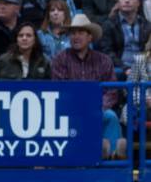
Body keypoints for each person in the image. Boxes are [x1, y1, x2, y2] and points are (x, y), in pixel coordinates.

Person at [51, 14, 126, 159]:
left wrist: (98, 107)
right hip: (69, 110)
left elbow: (112, 90)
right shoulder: (60, 59)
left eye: (80, 32)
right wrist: (78, 107)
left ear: (90, 37)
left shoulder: (104, 60)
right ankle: (100, 152)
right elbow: (59, 90)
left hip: (97, 108)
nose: (76, 36)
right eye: (73, 33)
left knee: (110, 116)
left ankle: (112, 155)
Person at [98, 0, 151, 72]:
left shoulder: (146, 25)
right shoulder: (108, 25)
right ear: (118, 3)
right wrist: (125, 68)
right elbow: (106, 52)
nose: (127, 0)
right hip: (119, 68)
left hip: (144, 67)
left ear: (138, 3)